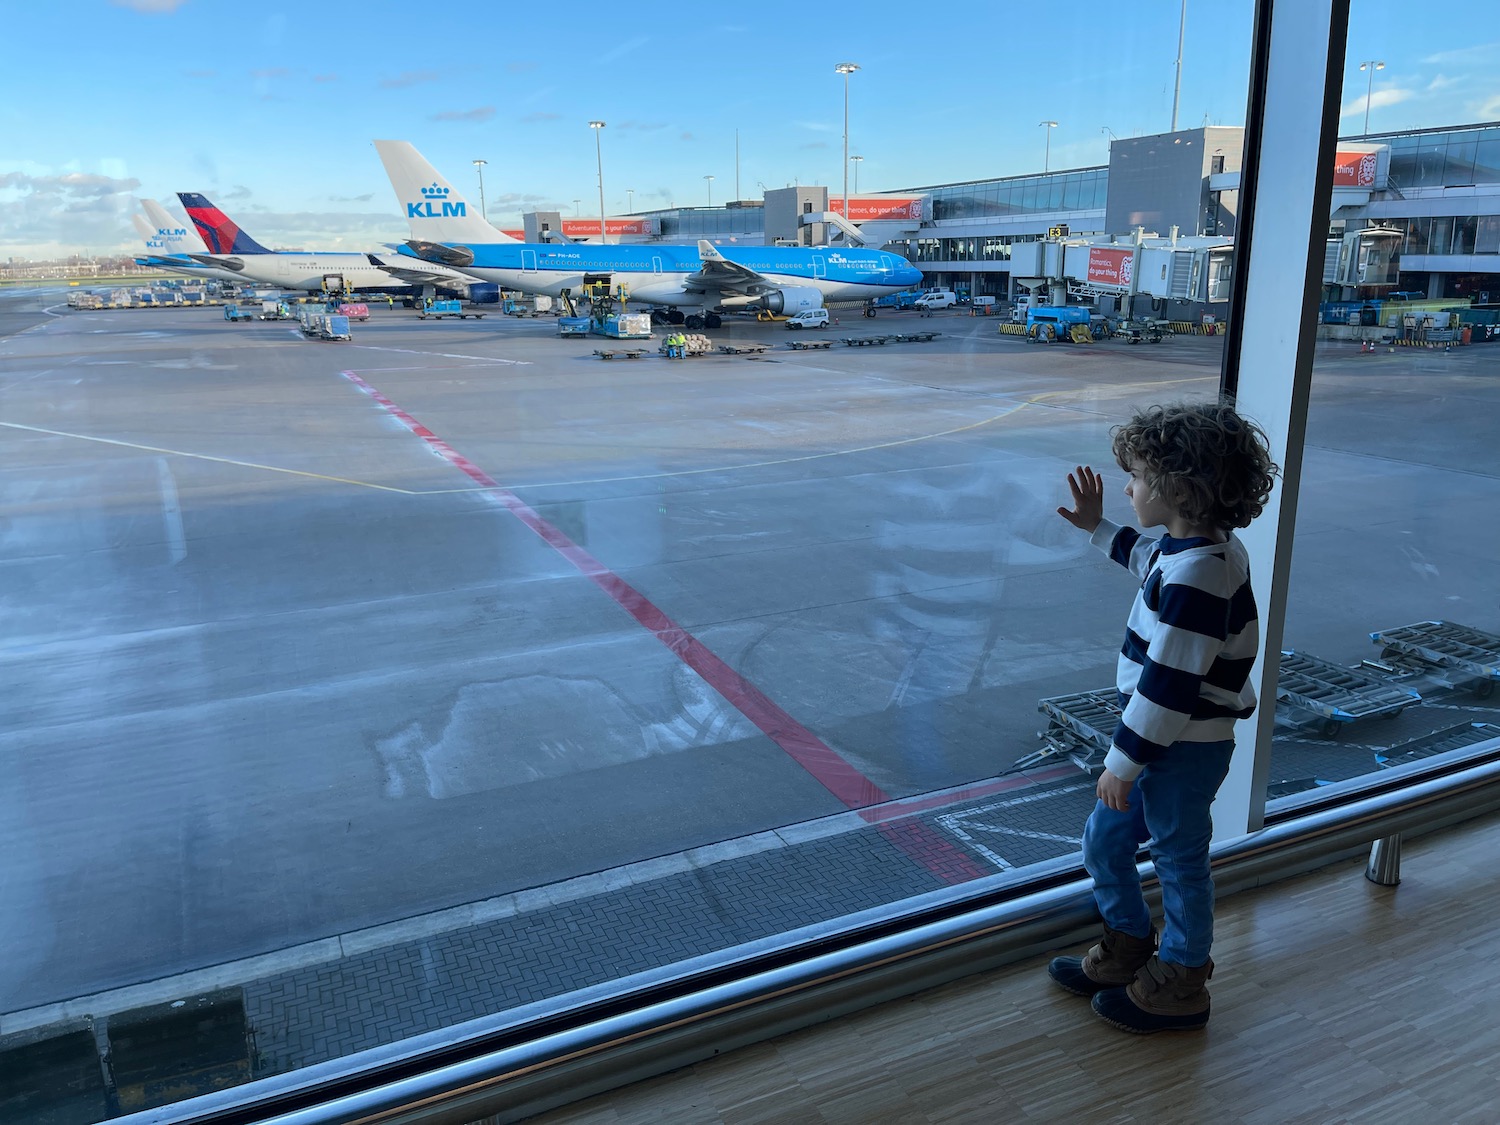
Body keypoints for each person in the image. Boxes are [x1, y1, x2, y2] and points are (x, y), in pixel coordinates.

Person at [1047, 400, 1278, 1034]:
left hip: (1180, 747)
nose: (1129, 488)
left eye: (1140, 479)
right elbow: (1144, 557)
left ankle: (1182, 977)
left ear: (1180, 489)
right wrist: (1098, 528)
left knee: (1179, 857)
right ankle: (1129, 941)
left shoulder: (1202, 574)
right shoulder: (1193, 550)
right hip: (1161, 741)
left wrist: (1123, 764)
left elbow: (1169, 688)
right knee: (1106, 840)